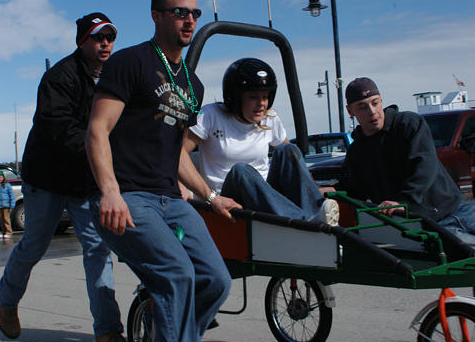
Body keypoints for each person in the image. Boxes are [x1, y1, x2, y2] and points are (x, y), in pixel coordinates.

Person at [85, 0, 240, 342]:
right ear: (156, 16)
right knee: (176, 276)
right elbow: (97, 130)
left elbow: (177, 155)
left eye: (193, 12)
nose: (189, 19)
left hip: (170, 200)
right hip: (128, 198)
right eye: (178, 12)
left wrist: (211, 197)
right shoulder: (130, 62)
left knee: (216, 280)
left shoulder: (192, 84)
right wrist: (109, 192)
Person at [0, 13, 128, 342]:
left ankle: (108, 334)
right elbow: (61, 131)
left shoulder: (116, 77)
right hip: (48, 178)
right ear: (81, 41)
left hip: (85, 180)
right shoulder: (59, 78)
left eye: (110, 37)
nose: (106, 44)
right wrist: (103, 151)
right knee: (34, 245)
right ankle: (4, 301)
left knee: (98, 249)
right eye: (98, 38)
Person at [182, 57, 339, 225]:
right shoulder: (211, 115)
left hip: (264, 196)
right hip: (227, 200)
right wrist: (181, 186)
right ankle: (306, 222)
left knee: (288, 150)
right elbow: (178, 153)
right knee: (241, 170)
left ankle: (318, 213)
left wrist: (314, 189)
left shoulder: (270, 118)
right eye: (253, 97)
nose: (262, 104)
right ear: (235, 97)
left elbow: (293, 163)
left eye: (265, 96)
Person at [337, 76, 475, 246]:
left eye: (375, 103)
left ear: (381, 101)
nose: (372, 111)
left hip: (454, 213)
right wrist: (327, 192)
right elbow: (353, 190)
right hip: (416, 226)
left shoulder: (408, 123)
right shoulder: (356, 151)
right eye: (362, 107)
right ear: (350, 111)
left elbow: (424, 166)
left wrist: (403, 202)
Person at [0, 171, 16, 239]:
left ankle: (8, 232)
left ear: (3, 177)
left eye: (0, 177)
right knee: (1, 219)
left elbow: (12, 195)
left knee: (6, 219)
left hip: (6, 205)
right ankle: (3, 232)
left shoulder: (7, 185)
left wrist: (12, 204)